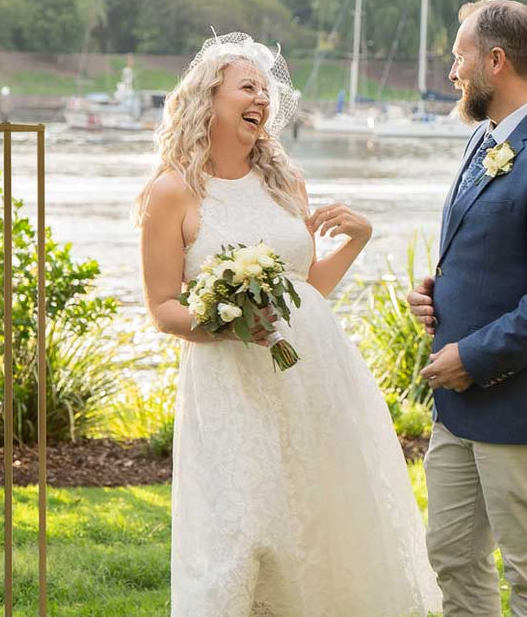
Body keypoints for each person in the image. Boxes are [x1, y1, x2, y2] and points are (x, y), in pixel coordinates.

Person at [136, 32, 439, 617]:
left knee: (315, 521)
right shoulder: (172, 193)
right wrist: (227, 325)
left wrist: (359, 238)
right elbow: (163, 307)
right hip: (230, 386)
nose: (262, 99)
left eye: (266, 90)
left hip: (314, 372)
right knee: (243, 531)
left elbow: (306, 291)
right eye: (247, 87)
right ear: (209, 99)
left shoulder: (285, 182)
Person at [407, 0, 527, 617]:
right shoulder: (486, 138)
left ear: (495, 61)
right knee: (453, 560)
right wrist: (442, 293)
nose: (452, 72)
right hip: (462, 407)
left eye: (460, 56)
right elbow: (494, 251)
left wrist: (473, 354)